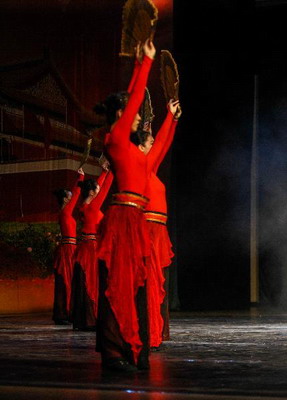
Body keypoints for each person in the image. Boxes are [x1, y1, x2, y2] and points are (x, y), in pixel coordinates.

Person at [93, 39, 155, 372]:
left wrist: (170, 122)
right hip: (120, 219)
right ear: (118, 114)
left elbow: (155, 153)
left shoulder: (133, 150)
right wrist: (142, 64)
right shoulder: (113, 140)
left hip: (136, 219)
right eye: (128, 111)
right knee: (117, 282)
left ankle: (136, 349)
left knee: (136, 285)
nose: (135, 117)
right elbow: (132, 105)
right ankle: (113, 353)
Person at [143, 99, 180, 349]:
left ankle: (155, 330)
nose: (154, 143)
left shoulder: (150, 169)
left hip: (158, 230)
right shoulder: (142, 166)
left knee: (158, 284)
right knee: (151, 284)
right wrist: (168, 117)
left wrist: (174, 120)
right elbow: (160, 147)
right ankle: (149, 332)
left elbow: (163, 145)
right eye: (149, 141)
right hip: (149, 230)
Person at [71, 162, 113, 331]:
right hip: (91, 249)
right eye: (96, 189)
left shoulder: (84, 207)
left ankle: (84, 319)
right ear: (91, 191)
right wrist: (112, 171)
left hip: (86, 247)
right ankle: (91, 319)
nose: (98, 191)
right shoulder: (93, 208)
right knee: (93, 283)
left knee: (87, 283)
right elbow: (105, 188)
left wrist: (103, 172)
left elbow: (100, 188)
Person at [51, 168, 85, 324]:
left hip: (70, 247)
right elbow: (77, 194)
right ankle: (64, 312)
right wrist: (81, 177)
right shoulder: (65, 213)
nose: (71, 197)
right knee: (66, 280)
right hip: (67, 250)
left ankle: (66, 312)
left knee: (69, 280)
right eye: (69, 196)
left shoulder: (65, 213)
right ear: (65, 199)